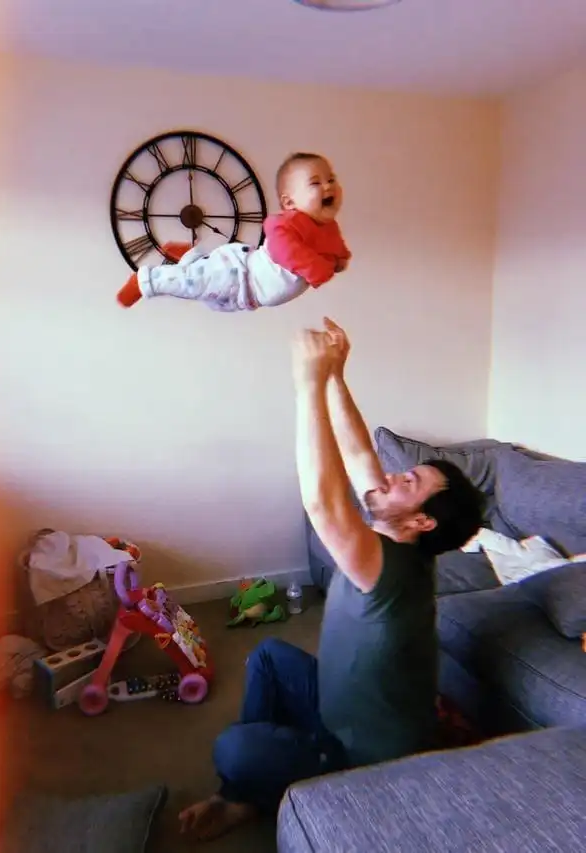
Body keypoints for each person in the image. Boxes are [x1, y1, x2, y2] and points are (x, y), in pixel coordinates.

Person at [178, 317, 484, 841]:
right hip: (334, 703)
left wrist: (308, 383)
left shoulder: (388, 565)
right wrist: (337, 375)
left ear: (422, 521)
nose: (391, 475)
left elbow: (321, 501)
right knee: (269, 655)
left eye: (408, 480)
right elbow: (359, 454)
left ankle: (260, 787)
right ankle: (242, 795)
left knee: (235, 748)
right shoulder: (395, 531)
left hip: (360, 753)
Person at [116, 152, 351, 311]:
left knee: (203, 288)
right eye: (315, 183)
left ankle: (189, 255)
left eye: (331, 179)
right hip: (240, 277)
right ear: (289, 202)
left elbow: (335, 247)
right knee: (192, 284)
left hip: (245, 294)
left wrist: (341, 259)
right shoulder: (286, 223)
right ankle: (146, 280)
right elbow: (283, 249)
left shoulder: (328, 227)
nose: (328, 186)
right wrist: (316, 269)